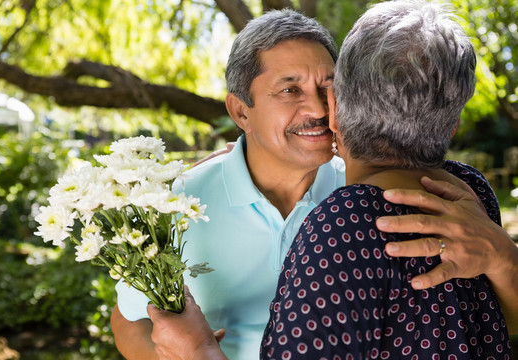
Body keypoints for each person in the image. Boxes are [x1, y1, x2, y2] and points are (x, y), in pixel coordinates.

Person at [111, 7, 518, 360]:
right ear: (241, 111)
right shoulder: (173, 206)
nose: (318, 108)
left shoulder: (376, 195)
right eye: (291, 89)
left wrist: (505, 257)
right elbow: (130, 325)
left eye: (329, 87)